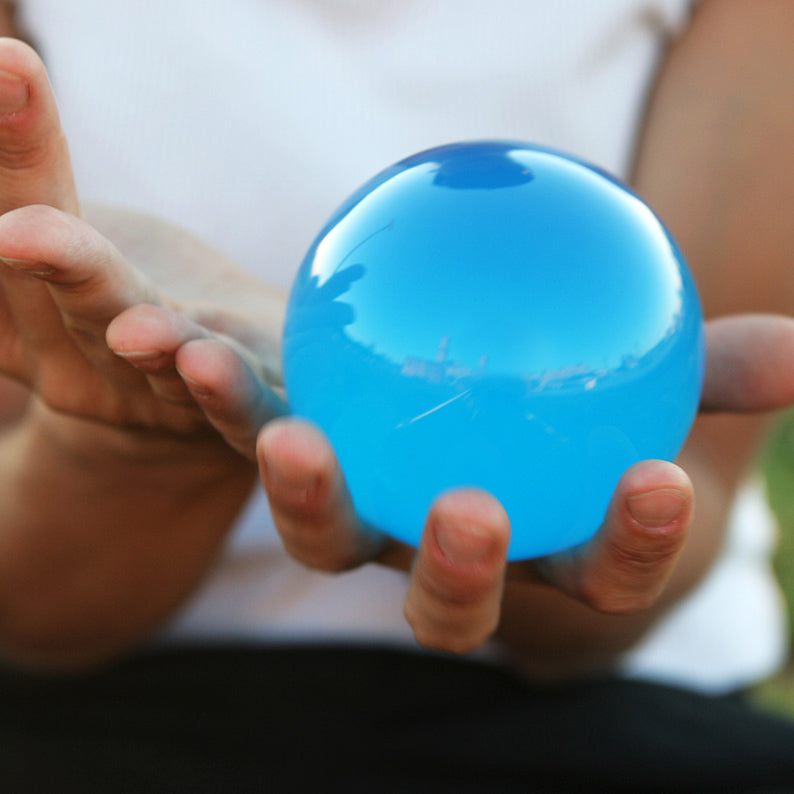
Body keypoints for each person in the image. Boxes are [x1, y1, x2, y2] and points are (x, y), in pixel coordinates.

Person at [0, 0, 793, 790]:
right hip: (107, 710)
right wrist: (136, 447)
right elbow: (28, 616)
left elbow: (679, 501)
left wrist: (560, 536)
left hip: (616, 715)